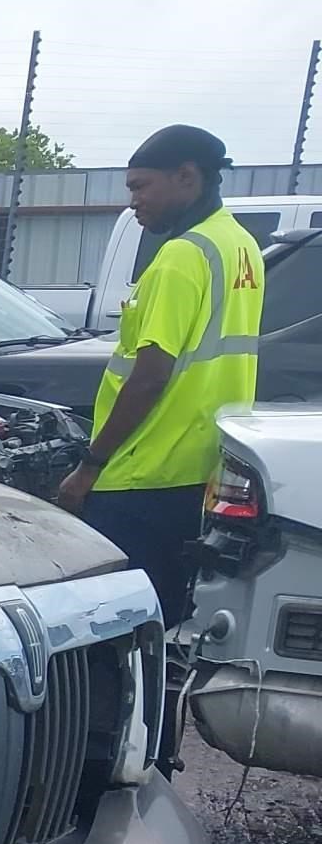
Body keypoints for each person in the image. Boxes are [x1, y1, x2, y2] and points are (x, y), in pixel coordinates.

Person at [54, 124, 264, 625]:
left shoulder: (182, 256)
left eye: (140, 186)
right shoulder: (240, 245)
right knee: (166, 615)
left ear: (186, 177)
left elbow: (149, 375)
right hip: (202, 465)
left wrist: (90, 465)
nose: (133, 202)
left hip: (141, 472)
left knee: (117, 622)